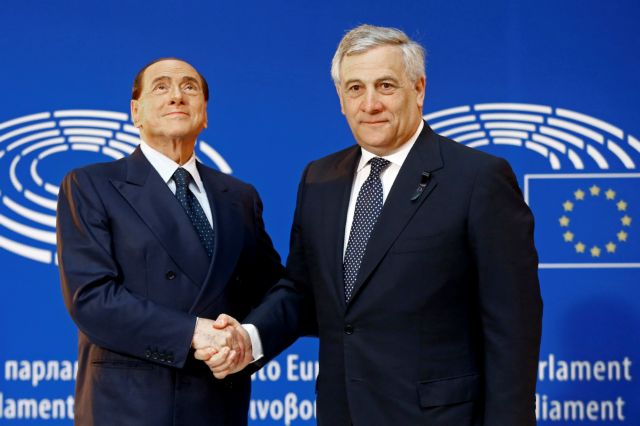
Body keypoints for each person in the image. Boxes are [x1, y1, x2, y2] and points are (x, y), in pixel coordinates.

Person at [201, 25, 543, 425]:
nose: (370, 104)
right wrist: (249, 337)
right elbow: (302, 290)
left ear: (418, 89)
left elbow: (512, 324)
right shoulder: (319, 178)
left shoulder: (477, 178)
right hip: (342, 412)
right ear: (341, 99)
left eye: (385, 86)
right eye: (355, 88)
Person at [56, 58, 283, 425]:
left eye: (189, 87)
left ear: (204, 114)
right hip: (128, 407)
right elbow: (92, 298)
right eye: (161, 87)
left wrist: (247, 339)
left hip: (217, 404)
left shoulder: (239, 197)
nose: (177, 96)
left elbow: (275, 293)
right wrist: (194, 332)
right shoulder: (91, 185)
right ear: (136, 112)